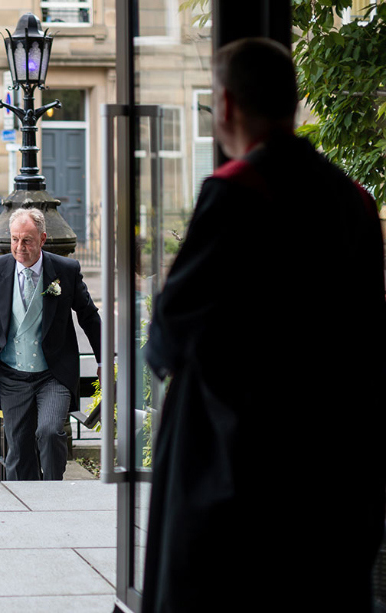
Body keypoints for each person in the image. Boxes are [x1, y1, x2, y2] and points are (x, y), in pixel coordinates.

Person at [142, 38, 386, 612]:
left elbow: (173, 329)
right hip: (333, 456)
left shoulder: (235, 191)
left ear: (225, 106)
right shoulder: (352, 199)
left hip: (238, 455)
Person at [0, 207, 102, 481]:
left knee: (49, 431)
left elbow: (89, 315)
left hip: (53, 374)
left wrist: (105, 360)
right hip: (12, 375)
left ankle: (53, 489)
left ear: (43, 239)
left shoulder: (65, 270)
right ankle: (24, 512)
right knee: (19, 449)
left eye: (27, 240)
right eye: (14, 239)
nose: (19, 247)